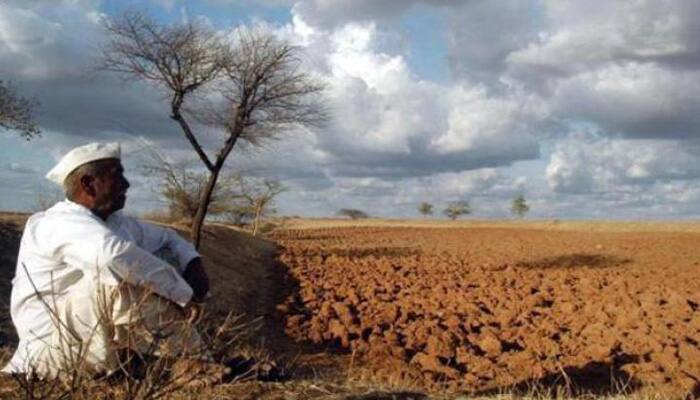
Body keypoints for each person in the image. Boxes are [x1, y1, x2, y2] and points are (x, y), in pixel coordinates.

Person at [2, 142, 211, 378]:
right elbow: (112, 257)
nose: (126, 184)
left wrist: (193, 263)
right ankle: (193, 362)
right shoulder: (55, 223)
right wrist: (183, 294)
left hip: (90, 339)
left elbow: (168, 238)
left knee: (160, 258)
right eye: (117, 175)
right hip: (51, 349)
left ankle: (193, 360)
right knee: (114, 281)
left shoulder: (114, 223)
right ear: (88, 184)